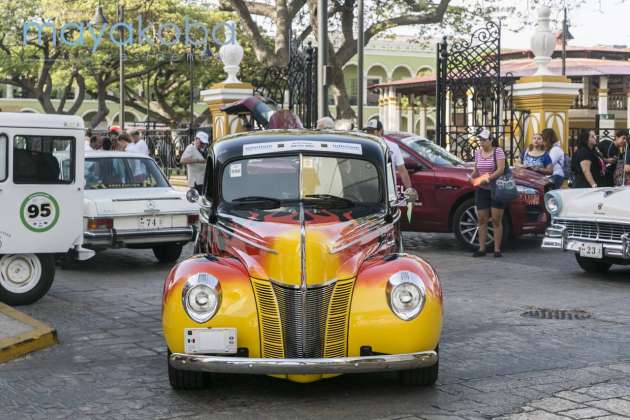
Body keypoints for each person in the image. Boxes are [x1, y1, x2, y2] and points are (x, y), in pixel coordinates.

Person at [470, 128, 507, 258]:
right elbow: (476, 170)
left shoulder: (498, 152)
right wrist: (471, 177)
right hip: (482, 190)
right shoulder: (478, 153)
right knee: (481, 219)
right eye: (480, 140)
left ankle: (497, 249)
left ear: (491, 140)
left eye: (484, 140)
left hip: (496, 189)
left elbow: (500, 170)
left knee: (496, 220)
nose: (482, 142)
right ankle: (482, 248)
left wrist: (486, 178)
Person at [364, 119, 417, 202]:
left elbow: (402, 171)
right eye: (368, 131)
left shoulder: (393, 147)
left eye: (373, 131)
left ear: (381, 131)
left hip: (389, 194)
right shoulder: (364, 146)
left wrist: (409, 190)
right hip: (367, 192)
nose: (370, 134)